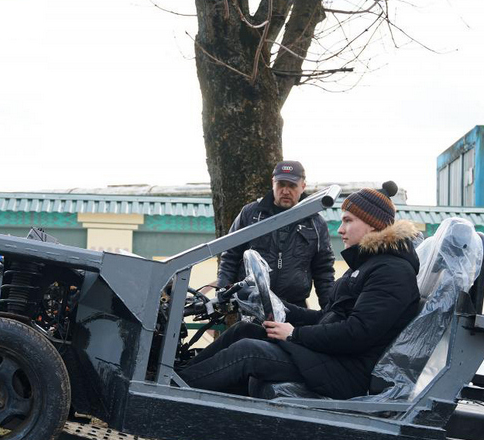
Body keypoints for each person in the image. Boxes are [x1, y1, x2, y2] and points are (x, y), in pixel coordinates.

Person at [180, 182, 421, 400]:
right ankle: (176, 378)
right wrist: (283, 307)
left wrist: (294, 335)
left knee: (248, 351)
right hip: (334, 359)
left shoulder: (391, 272)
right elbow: (325, 317)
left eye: (348, 220)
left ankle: (175, 396)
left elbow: (357, 333)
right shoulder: (367, 265)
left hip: (347, 371)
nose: (340, 229)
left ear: (373, 225)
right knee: (245, 330)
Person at [217, 160, 335, 308]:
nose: (285, 191)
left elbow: (324, 272)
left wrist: (331, 310)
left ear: (303, 186)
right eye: (281, 184)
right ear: (273, 183)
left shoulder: (316, 223)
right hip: (252, 306)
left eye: (292, 185)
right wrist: (222, 294)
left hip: (295, 309)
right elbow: (230, 256)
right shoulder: (251, 214)